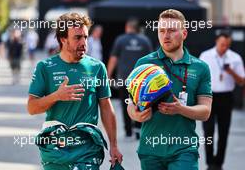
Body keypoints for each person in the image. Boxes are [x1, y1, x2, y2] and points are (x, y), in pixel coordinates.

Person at [27, 12, 122, 170]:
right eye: (78, 38)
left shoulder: (97, 67)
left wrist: (114, 145)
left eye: (85, 37)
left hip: (87, 149)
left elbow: (106, 106)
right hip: (55, 148)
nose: (84, 42)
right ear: (63, 39)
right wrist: (56, 96)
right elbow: (32, 108)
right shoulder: (45, 67)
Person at [127, 9, 213, 170]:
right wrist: (136, 115)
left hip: (184, 150)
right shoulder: (144, 64)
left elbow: (205, 111)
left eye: (172, 31)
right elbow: (131, 104)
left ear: (184, 33)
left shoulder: (200, 67)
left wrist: (181, 109)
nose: (165, 36)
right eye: (161, 31)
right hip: (150, 149)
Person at [199, 31, 245, 170]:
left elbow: (242, 81)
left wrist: (231, 72)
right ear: (216, 42)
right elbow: (199, 77)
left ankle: (219, 163)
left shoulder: (235, 58)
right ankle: (209, 163)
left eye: (227, 45)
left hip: (226, 97)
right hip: (208, 97)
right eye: (222, 44)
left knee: (224, 131)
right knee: (208, 131)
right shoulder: (205, 56)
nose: (224, 48)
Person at [107, 18, 153, 139]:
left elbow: (113, 58)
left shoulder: (120, 40)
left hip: (124, 78)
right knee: (140, 103)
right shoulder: (145, 40)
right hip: (141, 79)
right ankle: (138, 128)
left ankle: (128, 130)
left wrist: (108, 74)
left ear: (127, 26)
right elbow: (151, 60)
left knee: (125, 103)